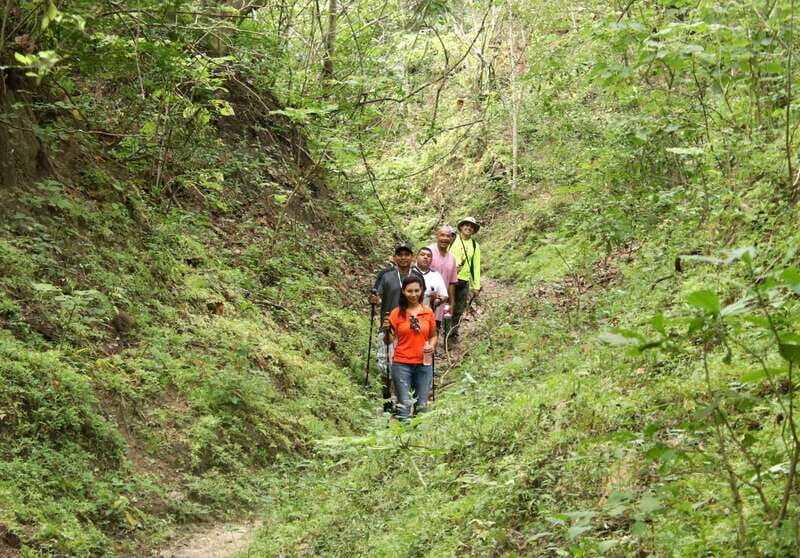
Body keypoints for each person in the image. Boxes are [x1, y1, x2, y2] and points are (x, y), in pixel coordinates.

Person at [369, 242, 425, 398]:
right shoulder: (385, 275)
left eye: (406, 254)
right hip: (389, 326)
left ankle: (406, 400)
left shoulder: (417, 276)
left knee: (410, 364)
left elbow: (421, 299)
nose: (403, 258)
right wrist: (374, 299)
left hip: (411, 327)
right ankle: (387, 399)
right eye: (400, 254)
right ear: (394, 257)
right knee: (385, 365)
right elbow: (377, 295)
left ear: (412, 257)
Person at [384, 275, 437, 421]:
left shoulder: (428, 312)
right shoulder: (396, 313)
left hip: (424, 364)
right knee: (405, 404)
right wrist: (386, 330)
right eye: (409, 291)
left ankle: (419, 440)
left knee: (422, 406)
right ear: (403, 291)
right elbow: (388, 341)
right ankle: (403, 440)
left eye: (416, 291)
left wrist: (431, 346)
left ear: (421, 291)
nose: (413, 295)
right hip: (402, 364)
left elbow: (433, 335)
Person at [448, 217, 482, 340]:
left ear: (473, 230)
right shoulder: (452, 240)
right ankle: (445, 331)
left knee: (459, 308)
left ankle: (454, 332)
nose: (469, 228)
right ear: (461, 227)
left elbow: (476, 266)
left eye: (471, 226)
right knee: (447, 306)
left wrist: (476, 285)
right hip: (449, 280)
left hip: (464, 280)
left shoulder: (475, 245)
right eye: (466, 225)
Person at [427, 227, 459, 331]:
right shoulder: (428, 252)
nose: (445, 238)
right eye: (442, 235)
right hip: (424, 302)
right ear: (437, 236)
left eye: (448, 236)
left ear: (451, 239)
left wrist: (451, 303)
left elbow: (452, 283)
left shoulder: (452, 258)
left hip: (440, 303)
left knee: (435, 331)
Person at [413, 247, 449, 314]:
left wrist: (436, 300)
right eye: (422, 254)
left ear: (431, 260)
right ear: (416, 257)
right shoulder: (409, 272)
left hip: (427, 315)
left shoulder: (436, 275)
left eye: (429, 256)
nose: (425, 257)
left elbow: (444, 296)